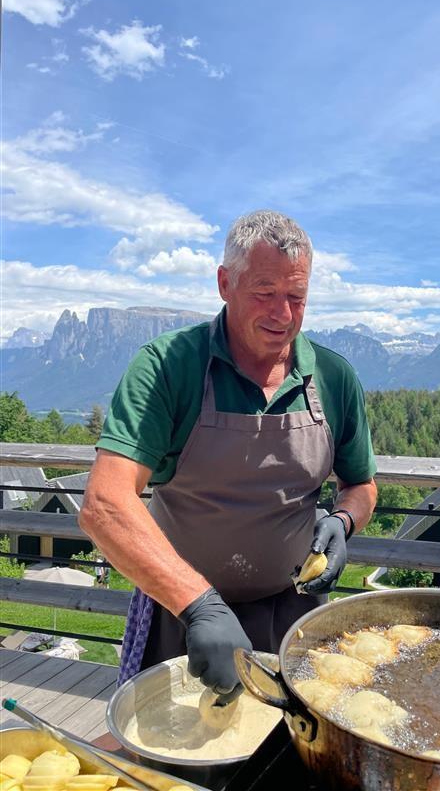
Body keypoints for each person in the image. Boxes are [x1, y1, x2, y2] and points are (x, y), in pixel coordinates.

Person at [80, 210, 378, 697]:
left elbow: (361, 486)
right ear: (225, 283)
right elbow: (105, 504)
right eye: (264, 293)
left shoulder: (333, 377)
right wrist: (199, 605)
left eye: (296, 298)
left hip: (291, 613)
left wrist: (343, 522)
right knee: (175, 763)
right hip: (180, 616)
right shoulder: (169, 366)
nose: (283, 315)